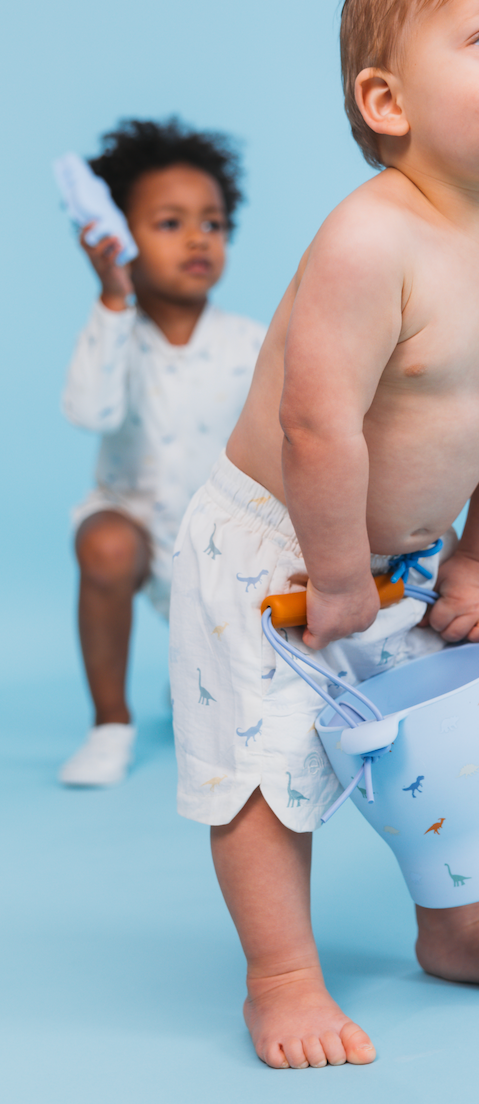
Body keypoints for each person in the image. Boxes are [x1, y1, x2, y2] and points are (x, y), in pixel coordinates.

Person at [169, 0, 479, 1069]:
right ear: (387, 102)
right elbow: (316, 427)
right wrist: (335, 575)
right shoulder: (371, 240)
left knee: (445, 744)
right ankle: (282, 975)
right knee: (267, 768)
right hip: (276, 548)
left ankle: (453, 930)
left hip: (404, 556)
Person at [60, 118, 266, 787]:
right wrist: (113, 298)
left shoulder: (254, 343)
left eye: (213, 222)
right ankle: (110, 724)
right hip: (138, 526)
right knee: (105, 543)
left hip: (226, 542)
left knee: (242, 709)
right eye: (170, 223)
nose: (198, 238)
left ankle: (199, 683)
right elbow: (90, 412)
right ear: (120, 236)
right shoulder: (112, 331)